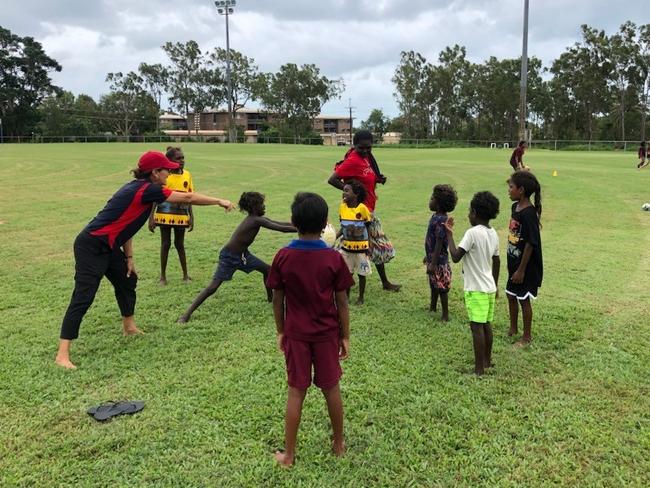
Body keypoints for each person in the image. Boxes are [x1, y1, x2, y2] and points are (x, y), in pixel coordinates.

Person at [56, 151, 235, 369]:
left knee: (127, 280)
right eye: (166, 169)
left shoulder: (141, 191)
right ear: (155, 173)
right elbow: (187, 197)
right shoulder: (148, 189)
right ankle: (62, 354)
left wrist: (128, 257)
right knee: (84, 295)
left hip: (110, 245)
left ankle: (129, 326)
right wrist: (219, 200)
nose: (169, 172)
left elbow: (126, 225)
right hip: (92, 246)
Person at [267, 192, 353, 467]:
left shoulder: (283, 256)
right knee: (332, 389)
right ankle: (338, 443)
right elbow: (342, 302)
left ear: (293, 222)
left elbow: (277, 299)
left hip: (296, 334)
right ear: (326, 223)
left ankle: (289, 456)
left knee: (295, 392)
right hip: (327, 335)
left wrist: (281, 330)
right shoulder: (333, 258)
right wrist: (345, 335)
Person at [177, 192, 296, 324]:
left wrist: (299, 225)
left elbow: (278, 223)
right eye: (261, 204)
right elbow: (282, 229)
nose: (264, 206)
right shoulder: (255, 220)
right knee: (213, 287)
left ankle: (270, 299)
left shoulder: (256, 219)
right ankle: (186, 315)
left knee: (267, 270)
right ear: (254, 207)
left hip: (243, 255)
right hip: (229, 256)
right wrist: (302, 229)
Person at [327, 130, 401, 292]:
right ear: (354, 146)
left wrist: (378, 179)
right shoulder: (353, 159)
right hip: (360, 212)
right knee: (371, 245)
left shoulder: (365, 157)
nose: (366, 151)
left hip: (367, 209)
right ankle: (383, 283)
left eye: (369, 148)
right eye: (362, 148)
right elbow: (332, 179)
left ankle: (335, 276)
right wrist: (351, 194)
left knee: (359, 244)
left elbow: (367, 172)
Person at [444, 192, 500, 376]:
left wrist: (449, 235)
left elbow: (455, 256)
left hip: (476, 289)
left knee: (476, 328)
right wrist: (496, 285)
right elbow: (497, 261)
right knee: (486, 325)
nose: (468, 215)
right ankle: (487, 361)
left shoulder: (472, 233)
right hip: (489, 288)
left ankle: (478, 370)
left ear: (474, 212)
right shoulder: (493, 233)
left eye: (469, 211)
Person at [505, 171, 543, 346]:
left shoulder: (529, 213)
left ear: (521, 190)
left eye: (511, 187)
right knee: (511, 295)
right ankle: (513, 328)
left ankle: (526, 336)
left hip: (525, 267)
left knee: (523, 299)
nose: (508, 190)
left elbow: (530, 243)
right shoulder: (515, 208)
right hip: (514, 261)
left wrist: (521, 270)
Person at [148, 146, 194, 284]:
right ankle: (163, 276)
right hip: (164, 214)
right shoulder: (164, 176)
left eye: (183, 158)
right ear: (169, 160)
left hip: (181, 216)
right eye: (178, 158)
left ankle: (185, 275)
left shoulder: (187, 175)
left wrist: (191, 216)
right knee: (165, 244)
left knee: (180, 244)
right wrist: (151, 217)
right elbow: (156, 198)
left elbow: (190, 196)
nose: (181, 160)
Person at [424, 184, 458, 321]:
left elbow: (439, 242)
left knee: (442, 287)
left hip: (439, 261)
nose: (429, 200)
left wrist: (433, 263)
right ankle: (432, 306)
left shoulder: (441, 220)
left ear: (438, 204)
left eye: (432, 198)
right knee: (433, 284)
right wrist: (427, 257)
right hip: (432, 258)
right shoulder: (436, 216)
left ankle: (445, 314)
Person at [337, 179, 372, 304]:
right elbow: (343, 226)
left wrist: (370, 244)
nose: (343, 193)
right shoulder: (342, 208)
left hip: (361, 249)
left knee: (362, 274)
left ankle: (361, 297)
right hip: (346, 248)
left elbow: (368, 226)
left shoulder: (362, 209)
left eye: (347, 191)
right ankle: (346, 296)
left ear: (356, 194)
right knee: (347, 274)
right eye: (343, 191)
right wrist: (335, 236)